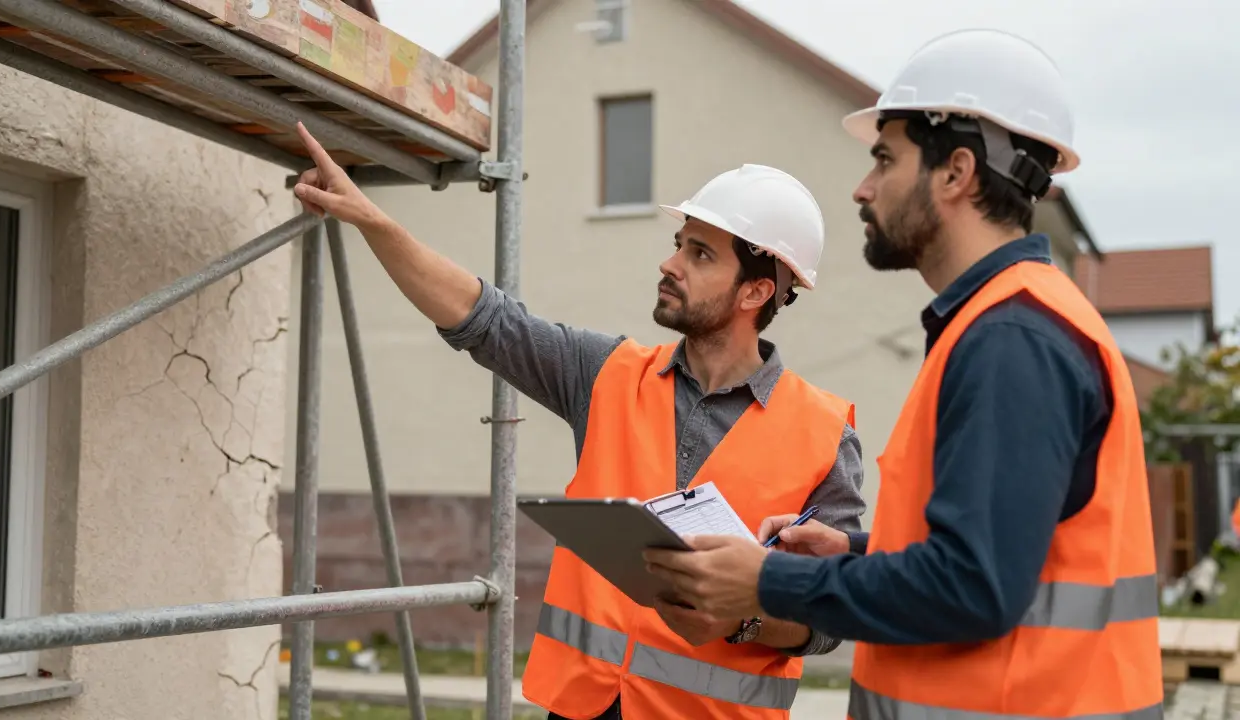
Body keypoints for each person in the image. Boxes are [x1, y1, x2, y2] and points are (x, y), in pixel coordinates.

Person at [643, 28, 1164, 720]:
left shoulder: (1011, 339)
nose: (863, 188)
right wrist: (860, 549)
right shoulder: (1005, 323)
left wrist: (770, 580)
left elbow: (972, 588)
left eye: (885, 159)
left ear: (955, 173)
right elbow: (1003, 556)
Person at [289, 124, 866, 720]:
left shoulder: (824, 434)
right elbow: (482, 318)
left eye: (699, 254)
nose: (669, 264)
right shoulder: (607, 374)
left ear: (755, 292)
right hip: (582, 708)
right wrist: (373, 222)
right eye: (679, 243)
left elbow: (827, 618)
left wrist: (746, 618)